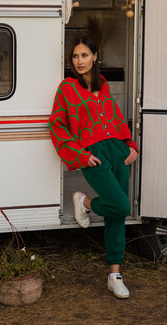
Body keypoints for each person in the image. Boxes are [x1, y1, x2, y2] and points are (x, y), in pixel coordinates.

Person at [48, 36, 138, 298]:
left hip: (119, 152)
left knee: (117, 215)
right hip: (93, 154)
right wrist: (79, 155)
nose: (79, 61)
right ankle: (84, 202)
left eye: (84, 55)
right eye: (75, 56)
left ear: (95, 56)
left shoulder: (105, 86)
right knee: (122, 205)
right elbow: (57, 125)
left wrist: (130, 144)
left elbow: (116, 117)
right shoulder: (67, 88)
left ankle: (114, 275)